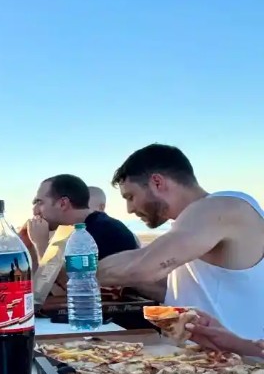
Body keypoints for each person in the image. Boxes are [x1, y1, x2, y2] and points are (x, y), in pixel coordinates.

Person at [98, 145, 264, 339]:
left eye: (130, 197)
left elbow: (144, 267)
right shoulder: (190, 226)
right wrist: (125, 283)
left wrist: (85, 275)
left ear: (157, 182)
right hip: (201, 361)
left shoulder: (220, 208)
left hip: (245, 363)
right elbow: (182, 290)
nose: (129, 209)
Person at [21, 174, 143, 309]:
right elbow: (46, 291)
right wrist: (30, 247)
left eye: (39, 202)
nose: (35, 210)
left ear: (63, 203)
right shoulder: (78, 231)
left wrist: (41, 245)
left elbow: (76, 287)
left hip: (115, 323)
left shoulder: (102, 231)